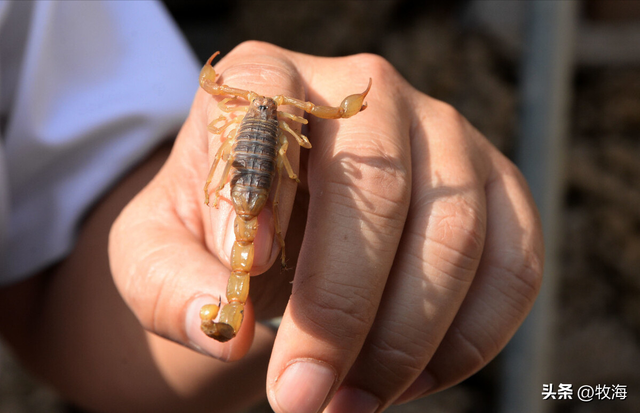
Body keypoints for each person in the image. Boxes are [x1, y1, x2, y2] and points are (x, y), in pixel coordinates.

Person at [0, 3, 544, 413]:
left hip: (252, 179)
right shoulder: (264, 119)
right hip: (248, 173)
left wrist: (293, 262)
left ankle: (275, 267)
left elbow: (49, 296)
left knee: (266, 218)